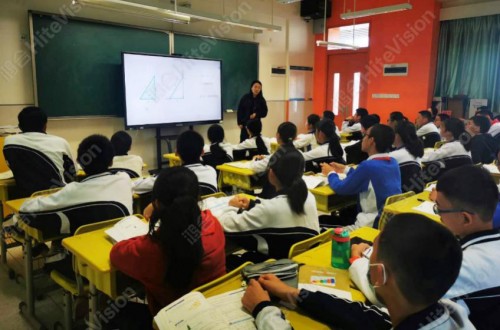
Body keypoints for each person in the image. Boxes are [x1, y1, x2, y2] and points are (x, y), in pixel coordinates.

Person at [242, 213, 473, 330]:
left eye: (372, 251)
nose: (367, 253)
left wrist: (263, 309)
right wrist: (292, 293)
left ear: (378, 275)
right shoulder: (441, 313)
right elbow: (369, 319)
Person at [110, 167, 226, 328]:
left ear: (156, 203)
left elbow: (116, 254)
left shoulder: (152, 248)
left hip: (169, 321)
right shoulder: (213, 224)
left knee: (112, 312)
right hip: (214, 312)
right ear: (197, 198)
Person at [18, 135, 133, 277]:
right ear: (111, 161)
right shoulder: (124, 179)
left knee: (51, 258)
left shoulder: (73, 191)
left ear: (80, 163)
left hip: (81, 268)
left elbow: (26, 208)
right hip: (121, 262)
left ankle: (51, 253)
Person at [216, 150, 319, 260]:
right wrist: (252, 204)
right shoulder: (309, 196)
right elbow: (278, 208)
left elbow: (226, 225)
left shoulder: (270, 210)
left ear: (271, 173)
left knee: (231, 258)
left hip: (274, 265)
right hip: (302, 260)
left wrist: (231, 206)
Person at [321, 124, 401, 231]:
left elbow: (340, 188)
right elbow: (367, 177)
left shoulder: (368, 166)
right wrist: (345, 169)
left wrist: (330, 173)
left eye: (365, 135)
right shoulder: (392, 162)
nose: (363, 139)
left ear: (372, 140)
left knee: (321, 225)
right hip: (386, 224)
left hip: (368, 226)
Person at [4, 106, 76, 195]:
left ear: (20, 126)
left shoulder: (9, 142)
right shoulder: (60, 142)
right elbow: (72, 172)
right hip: (58, 196)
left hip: (27, 199)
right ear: (45, 125)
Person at [134, 130, 218, 195]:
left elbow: (137, 186)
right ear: (202, 152)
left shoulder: (170, 176)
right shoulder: (211, 171)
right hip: (209, 215)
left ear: (176, 152)